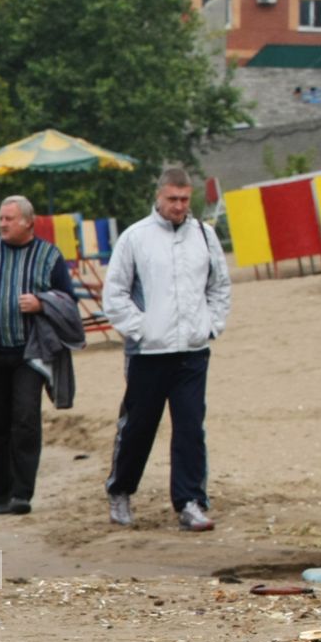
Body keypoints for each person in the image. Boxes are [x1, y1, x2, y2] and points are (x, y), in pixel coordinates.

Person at [100, 164, 231, 532]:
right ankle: (121, 490)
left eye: (185, 199)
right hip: (148, 352)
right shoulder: (135, 238)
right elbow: (115, 293)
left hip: (192, 351)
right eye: (172, 199)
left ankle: (190, 502)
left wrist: (211, 324)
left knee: (190, 427)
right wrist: (140, 330)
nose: (178, 206)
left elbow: (219, 286)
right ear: (159, 197)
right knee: (138, 426)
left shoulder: (204, 235)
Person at [0, 195, 75, 515]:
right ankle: (1, 496)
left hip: (29, 352)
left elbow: (68, 301)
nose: (3, 224)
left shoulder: (48, 256)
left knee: (24, 419)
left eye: (10, 219)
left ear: (28, 222)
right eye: (1, 218)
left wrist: (41, 303)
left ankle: (22, 494)